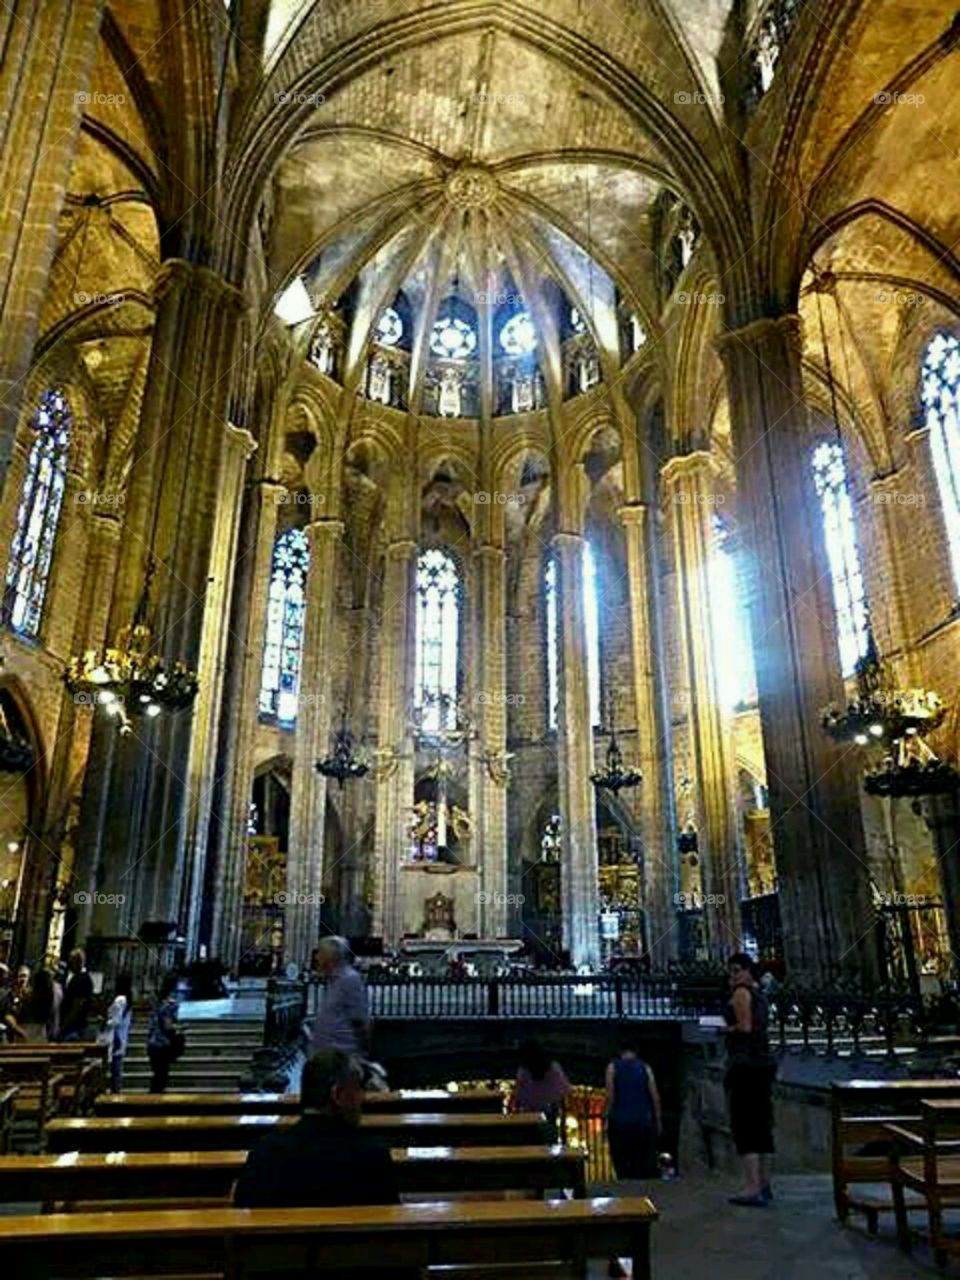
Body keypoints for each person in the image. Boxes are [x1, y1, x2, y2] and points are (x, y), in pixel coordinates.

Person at [234, 1049, 400, 1210]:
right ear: (338, 1094)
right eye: (358, 1088)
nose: (363, 1098)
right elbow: (390, 1220)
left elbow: (242, 1208)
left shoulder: (266, 1151)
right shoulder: (372, 1156)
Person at [605, 1041, 662, 1279]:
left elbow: (610, 1096)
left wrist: (607, 1118)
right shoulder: (645, 1068)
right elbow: (654, 1096)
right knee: (644, 1163)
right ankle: (643, 1199)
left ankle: (627, 1198)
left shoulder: (613, 1068)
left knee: (624, 1164)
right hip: (643, 1122)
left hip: (621, 1123)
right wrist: (658, 1120)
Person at [724, 951, 777, 1207]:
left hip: (745, 1065)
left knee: (745, 1123)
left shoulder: (742, 994)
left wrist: (724, 1028)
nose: (732, 976)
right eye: (730, 972)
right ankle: (764, 1183)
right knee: (762, 1123)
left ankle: (752, 1186)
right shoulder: (759, 994)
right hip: (762, 1061)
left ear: (747, 970)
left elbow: (744, 1027)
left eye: (736, 971)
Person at [309, 936, 370, 1059]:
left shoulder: (350, 979)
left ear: (331, 957)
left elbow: (360, 1021)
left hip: (341, 1059)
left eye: (320, 953)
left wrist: (361, 1055)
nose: (317, 958)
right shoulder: (333, 980)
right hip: (328, 1057)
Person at [509, 1040, 570, 1140]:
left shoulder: (523, 1072)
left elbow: (518, 1096)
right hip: (549, 1116)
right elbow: (563, 1092)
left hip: (528, 1118)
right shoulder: (554, 1069)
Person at [146, 975, 181, 1093]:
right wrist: (180, 1028)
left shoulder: (158, 1001)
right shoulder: (169, 1004)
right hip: (161, 1044)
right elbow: (167, 1026)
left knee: (158, 1076)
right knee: (160, 1077)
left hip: (152, 1043)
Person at [102, 974, 133, 1092]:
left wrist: (105, 1021)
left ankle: (115, 1092)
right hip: (121, 1036)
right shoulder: (127, 999)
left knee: (115, 1068)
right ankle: (116, 1091)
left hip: (116, 1036)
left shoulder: (120, 999)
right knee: (117, 1068)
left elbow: (116, 1020)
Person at [60, 948, 94, 1041]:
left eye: (71, 962)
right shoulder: (77, 977)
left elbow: (78, 1005)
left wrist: (65, 1024)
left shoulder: (82, 979)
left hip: (74, 1027)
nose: (69, 965)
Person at [18, 965, 59, 1041]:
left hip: (35, 1030)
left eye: (25, 976)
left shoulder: (40, 996)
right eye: (20, 976)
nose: (22, 979)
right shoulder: (57, 989)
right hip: (46, 1031)